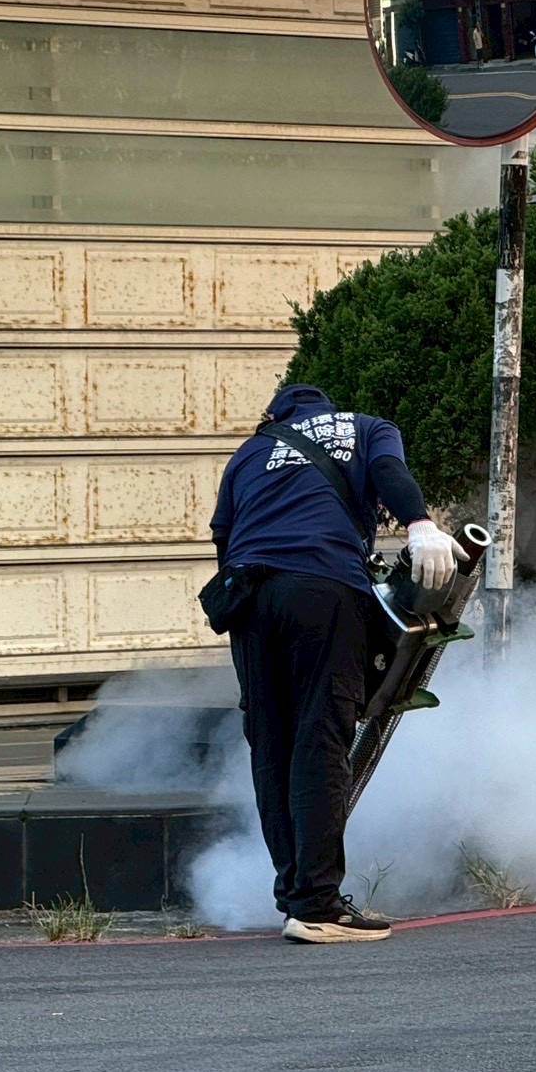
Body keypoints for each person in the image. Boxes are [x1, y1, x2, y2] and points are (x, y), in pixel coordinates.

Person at [210, 384, 466, 944]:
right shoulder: (367, 427)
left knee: (272, 746)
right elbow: (389, 473)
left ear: (275, 416)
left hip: (248, 599)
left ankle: (294, 895)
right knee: (320, 738)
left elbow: (223, 537)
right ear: (329, 409)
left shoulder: (250, 452)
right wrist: (419, 524)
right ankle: (319, 906)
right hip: (323, 587)